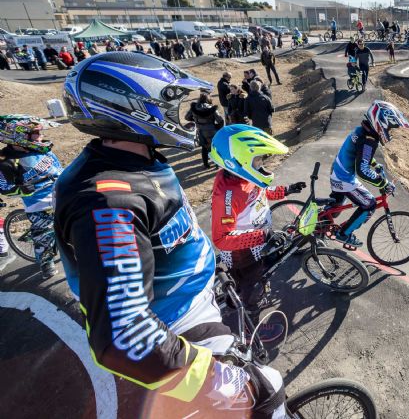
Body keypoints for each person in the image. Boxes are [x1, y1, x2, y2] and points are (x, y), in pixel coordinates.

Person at [54, 51, 287, 417]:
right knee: (268, 392)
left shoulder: (134, 159)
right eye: (170, 104)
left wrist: (209, 267)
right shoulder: (109, 202)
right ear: (133, 108)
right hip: (177, 324)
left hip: (190, 300)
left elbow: (169, 234)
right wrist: (210, 379)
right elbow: (123, 335)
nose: (180, 115)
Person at [210, 125, 305, 315]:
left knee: (257, 273)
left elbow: (260, 192)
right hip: (242, 252)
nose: (260, 164)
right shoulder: (227, 195)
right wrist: (262, 236)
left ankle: (238, 295)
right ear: (239, 160)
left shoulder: (243, 177)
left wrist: (286, 190)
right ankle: (251, 313)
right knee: (251, 285)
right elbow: (222, 238)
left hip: (256, 241)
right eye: (257, 160)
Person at [328, 100, 409, 246]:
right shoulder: (369, 140)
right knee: (369, 204)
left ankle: (317, 225)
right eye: (389, 127)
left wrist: (374, 164)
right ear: (381, 123)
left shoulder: (363, 130)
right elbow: (363, 170)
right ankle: (343, 234)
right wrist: (384, 183)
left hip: (338, 171)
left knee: (335, 208)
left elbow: (360, 155)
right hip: (344, 178)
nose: (390, 131)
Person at [0, 115, 63, 279]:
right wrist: (21, 190)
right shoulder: (7, 162)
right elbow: (4, 188)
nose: (40, 136)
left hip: (62, 193)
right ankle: (45, 261)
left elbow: (59, 169)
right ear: (19, 136)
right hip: (39, 204)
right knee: (46, 232)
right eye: (36, 133)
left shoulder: (44, 150)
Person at [185, 92, 224, 169]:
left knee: (204, 147)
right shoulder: (211, 108)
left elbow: (187, 117)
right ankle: (217, 164)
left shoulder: (194, 108)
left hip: (201, 131)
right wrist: (217, 127)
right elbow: (220, 121)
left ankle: (206, 164)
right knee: (215, 148)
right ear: (208, 99)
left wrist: (195, 120)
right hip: (212, 130)